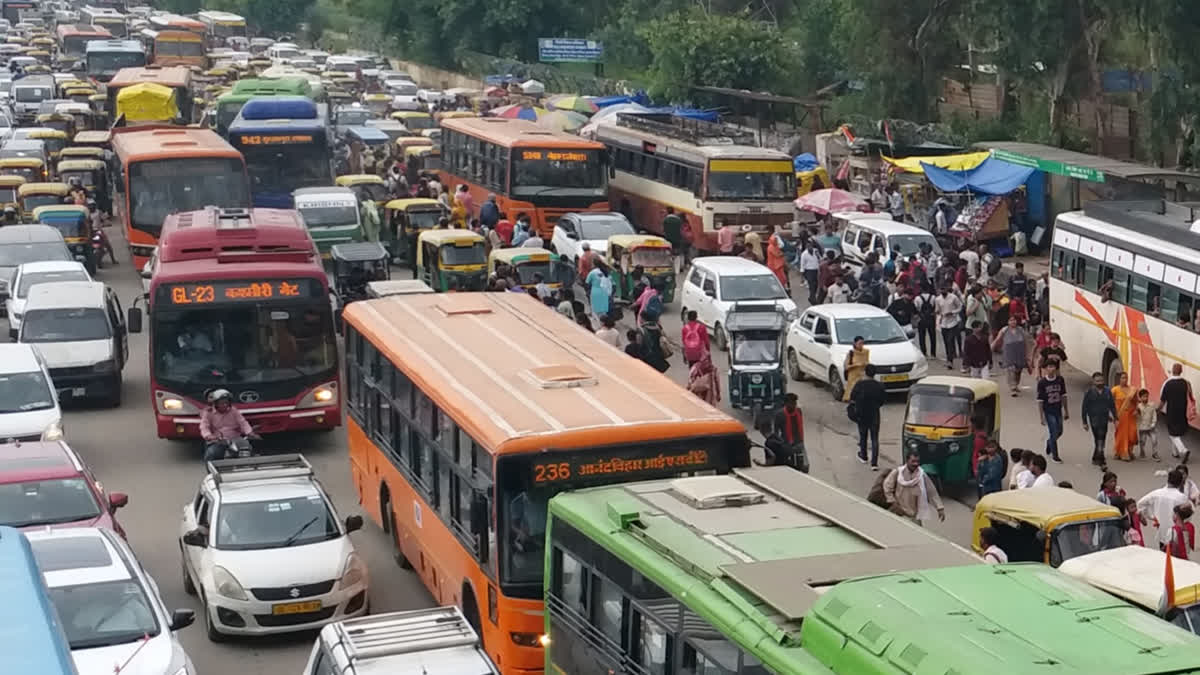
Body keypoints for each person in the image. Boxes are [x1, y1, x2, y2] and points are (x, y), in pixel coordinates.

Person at [882, 450, 945, 526]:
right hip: (898, 512)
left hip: (914, 515)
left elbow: (931, 492)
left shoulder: (921, 475)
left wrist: (940, 508)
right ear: (907, 461)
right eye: (913, 461)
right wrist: (893, 502)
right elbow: (887, 486)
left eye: (917, 461)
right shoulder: (898, 472)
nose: (916, 464)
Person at [1138, 470, 1190, 551]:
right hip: (1177, 533)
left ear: (1168, 480)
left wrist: (1151, 516)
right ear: (1180, 482)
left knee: (1164, 557)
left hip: (1162, 532)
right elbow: (1187, 515)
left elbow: (1140, 504)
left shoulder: (1157, 493)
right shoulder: (1182, 498)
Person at [199, 389, 258, 462]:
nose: (224, 405)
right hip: (218, 440)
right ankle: (211, 472)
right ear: (215, 403)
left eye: (226, 402)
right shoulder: (208, 413)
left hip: (235, 438)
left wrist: (249, 432)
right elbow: (204, 426)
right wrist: (208, 435)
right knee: (212, 453)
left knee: (247, 449)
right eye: (221, 403)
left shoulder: (233, 410)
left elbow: (242, 422)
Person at [850, 363, 886, 468]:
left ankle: (863, 455)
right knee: (875, 438)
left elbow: (852, 397)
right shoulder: (879, 386)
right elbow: (882, 400)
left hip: (862, 414)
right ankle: (874, 463)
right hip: (874, 413)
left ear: (865, 372)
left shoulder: (859, 384)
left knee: (863, 435)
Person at [1080, 371, 1117, 465]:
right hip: (1094, 420)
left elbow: (1112, 405)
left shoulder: (1108, 391)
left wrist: (1116, 418)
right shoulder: (1089, 392)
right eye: (1097, 381)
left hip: (1104, 419)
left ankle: (1097, 457)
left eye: (1101, 380)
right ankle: (1101, 459)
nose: (1099, 382)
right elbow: (1084, 407)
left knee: (1101, 438)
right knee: (1099, 438)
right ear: (1093, 381)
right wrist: (1084, 422)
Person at [1159, 363, 1195, 462]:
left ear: (1172, 370)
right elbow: (1191, 395)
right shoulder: (1185, 383)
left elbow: (1163, 400)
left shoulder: (1168, 383)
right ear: (1181, 371)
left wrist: (1158, 410)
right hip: (1182, 411)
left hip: (1171, 411)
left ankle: (1183, 450)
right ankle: (1174, 452)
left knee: (1172, 432)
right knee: (1176, 431)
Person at [991, 314, 1032, 395]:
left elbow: (1026, 341)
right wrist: (991, 347)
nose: (1013, 322)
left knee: (1018, 370)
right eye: (1011, 320)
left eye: (1014, 320)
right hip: (1009, 353)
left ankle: (1016, 384)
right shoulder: (1004, 330)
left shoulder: (1021, 330)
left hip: (1020, 353)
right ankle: (1012, 387)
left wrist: (1028, 354)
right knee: (1010, 369)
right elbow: (997, 339)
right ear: (1008, 322)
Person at [1037, 360, 1068, 463]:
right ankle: (1055, 456)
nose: (1052, 369)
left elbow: (1063, 395)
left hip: (1058, 409)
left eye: (1053, 367)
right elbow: (1040, 401)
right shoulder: (1042, 383)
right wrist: (1041, 416)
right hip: (1048, 411)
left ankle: (1049, 442)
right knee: (1053, 431)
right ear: (1045, 369)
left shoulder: (1060, 380)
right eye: (1049, 367)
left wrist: (1066, 410)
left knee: (1060, 431)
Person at [768, 393, 805, 470]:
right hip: (786, 443)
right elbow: (775, 431)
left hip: (798, 443)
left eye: (795, 403)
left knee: (804, 466)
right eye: (791, 403)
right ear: (785, 403)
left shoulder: (799, 411)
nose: (793, 405)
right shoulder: (779, 414)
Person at [934, 285, 963, 369]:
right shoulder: (938, 299)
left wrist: (952, 312)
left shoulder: (953, 297)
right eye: (941, 289)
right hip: (943, 323)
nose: (942, 291)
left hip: (953, 322)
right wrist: (938, 313)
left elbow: (960, 307)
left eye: (944, 289)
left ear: (947, 289)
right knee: (946, 342)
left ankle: (950, 361)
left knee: (950, 341)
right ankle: (948, 358)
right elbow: (937, 310)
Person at [1111, 372, 1138, 462]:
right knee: (1121, 434)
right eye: (1122, 378)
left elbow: (1136, 401)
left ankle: (1129, 451)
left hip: (1130, 415)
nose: (1124, 380)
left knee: (1132, 434)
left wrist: (1136, 410)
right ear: (1119, 379)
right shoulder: (1115, 390)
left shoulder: (1132, 389)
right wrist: (1112, 415)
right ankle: (1123, 452)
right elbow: (1109, 402)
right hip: (1120, 416)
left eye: (1126, 378)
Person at [1134, 388, 1160, 461]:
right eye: (1144, 396)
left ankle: (1155, 453)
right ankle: (1142, 452)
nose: (1146, 398)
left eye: (1147, 396)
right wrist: (1137, 413)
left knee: (1154, 440)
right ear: (1140, 397)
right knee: (1142, 441)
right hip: (1142, 427)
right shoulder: (1138, 406)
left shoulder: (1151, 405)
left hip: (1151, 427)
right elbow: (1137, 417)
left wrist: (1153, 423)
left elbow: (1154, 414)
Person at [842, 336, 869, 402]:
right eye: (859, 343)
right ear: (855, 343)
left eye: (862, 343)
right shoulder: (851, 353)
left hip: (862, 376)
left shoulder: (866, 351)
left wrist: (866, 364)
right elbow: (846, 366)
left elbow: (867, 361)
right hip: (853, 377)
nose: (861, 345)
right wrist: (855, 365)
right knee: (853, 395)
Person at [913, 286, 937, 358]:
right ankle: (933, 353)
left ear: (921, 289)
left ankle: (924, 352)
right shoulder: (933, 297)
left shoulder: (917, 298)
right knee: (932, 336)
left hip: (921, 319)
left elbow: (915, 308)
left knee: (922, 337)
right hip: (931, 319)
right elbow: (935, 308)